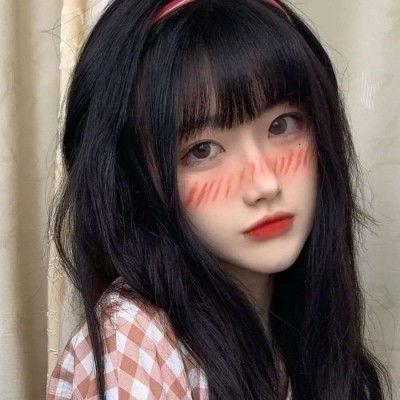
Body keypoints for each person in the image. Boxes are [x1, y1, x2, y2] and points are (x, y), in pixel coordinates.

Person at [46, 0, 394, 399]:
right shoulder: (134, 340)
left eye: (281, 125)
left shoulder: (296, 329)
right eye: (203, 150)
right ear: (135, 179)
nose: (264, 184)